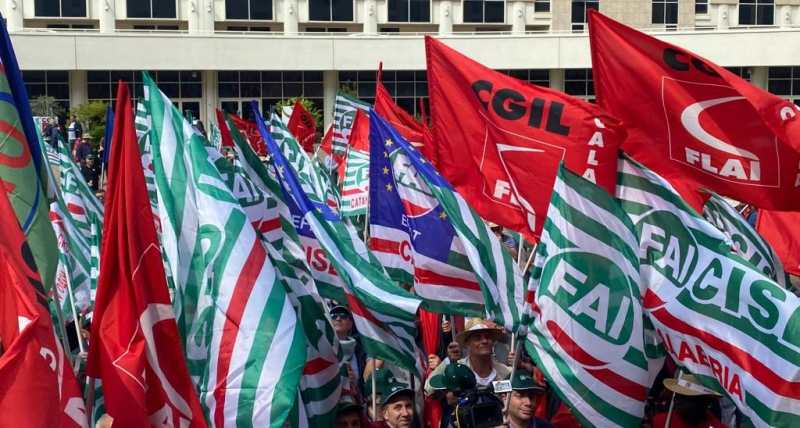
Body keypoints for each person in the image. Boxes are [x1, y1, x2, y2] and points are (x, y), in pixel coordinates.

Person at [425, 318, 510, 395]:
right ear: (467, 343)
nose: (484, 341)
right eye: (477, 337)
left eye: (488, 337)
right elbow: (428, 388)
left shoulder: (506, 372)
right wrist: (449, 361)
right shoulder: (457, 368)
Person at [651, 374, 725, 428]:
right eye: (677, 395)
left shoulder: (717, 426)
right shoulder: (662, 421)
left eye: (684, 397)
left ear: (704, 402)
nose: (676, 400)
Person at [428, 363, 476, 428]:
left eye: (445, 390)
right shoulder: (448, 411)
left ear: (458, 393)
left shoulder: (473, 417)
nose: (443, 394)